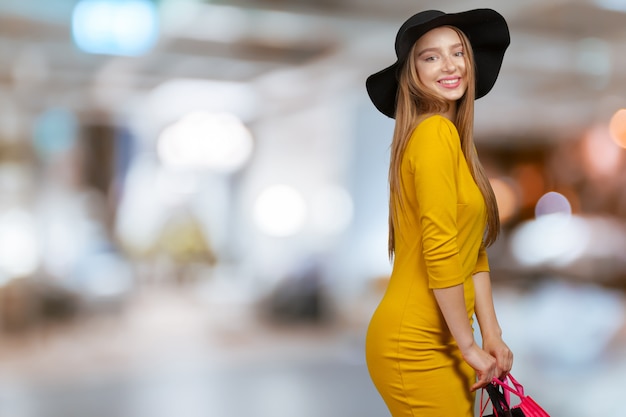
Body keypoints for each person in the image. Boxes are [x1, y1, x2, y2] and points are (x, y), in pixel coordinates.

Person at [364, 9, 514, 416]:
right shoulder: (433, 134)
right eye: (430, 57)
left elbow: (473, 253)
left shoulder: (456, 145)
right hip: (415, 342)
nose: (449, 66)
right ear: (412, 74)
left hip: (447, 337)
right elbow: (441, 250)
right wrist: (469, 344)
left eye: (457, 53)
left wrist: (491, 334)